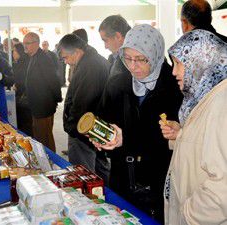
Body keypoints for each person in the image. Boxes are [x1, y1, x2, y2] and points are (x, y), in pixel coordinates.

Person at [94, 24, 183, 222]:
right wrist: (101, 136)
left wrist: (127, 139)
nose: (133, 66)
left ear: (156, 55)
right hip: (122, 175)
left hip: (158, 178)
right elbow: (104, 117)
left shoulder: (176, 87)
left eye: (141, 59)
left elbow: (179, 139)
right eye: (127, 58)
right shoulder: (117, 83)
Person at [159, 30, 227, 224]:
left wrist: (188, 213)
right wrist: (180, 135)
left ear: (201, 61)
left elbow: (223, 187)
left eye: (179, 63)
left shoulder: (222, 103)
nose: (174, 72)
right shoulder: (208, 96)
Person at [58, 34, 111, 184]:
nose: (66, 62)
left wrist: (72, 128)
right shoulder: (91, 61)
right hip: (94, 127)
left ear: (76, 52)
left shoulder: (90, 66)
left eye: (66, 58)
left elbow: (82, 103)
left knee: (84, 174)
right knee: (100, 167)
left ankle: (93, 201)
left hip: (84, 129)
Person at [23, 32, 62, 152]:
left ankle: (51, 165)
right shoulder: (34, 57)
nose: (25, 46)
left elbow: (53, 81)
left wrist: (57, 99)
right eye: (24, 43)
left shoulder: (44, 59)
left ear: (36, 43)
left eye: (27, 43)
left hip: (44, 106)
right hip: (37, 105)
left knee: (45, 139)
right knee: (40, 138)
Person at [12, 43, 33, 136]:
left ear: (18, 52)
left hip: (23, 98)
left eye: (14, 51)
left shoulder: (21, 63)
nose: (13, 54)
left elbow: (21, 80)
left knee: (24, 125)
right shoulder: (27, 61)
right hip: (27, 98)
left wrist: (16, 85)